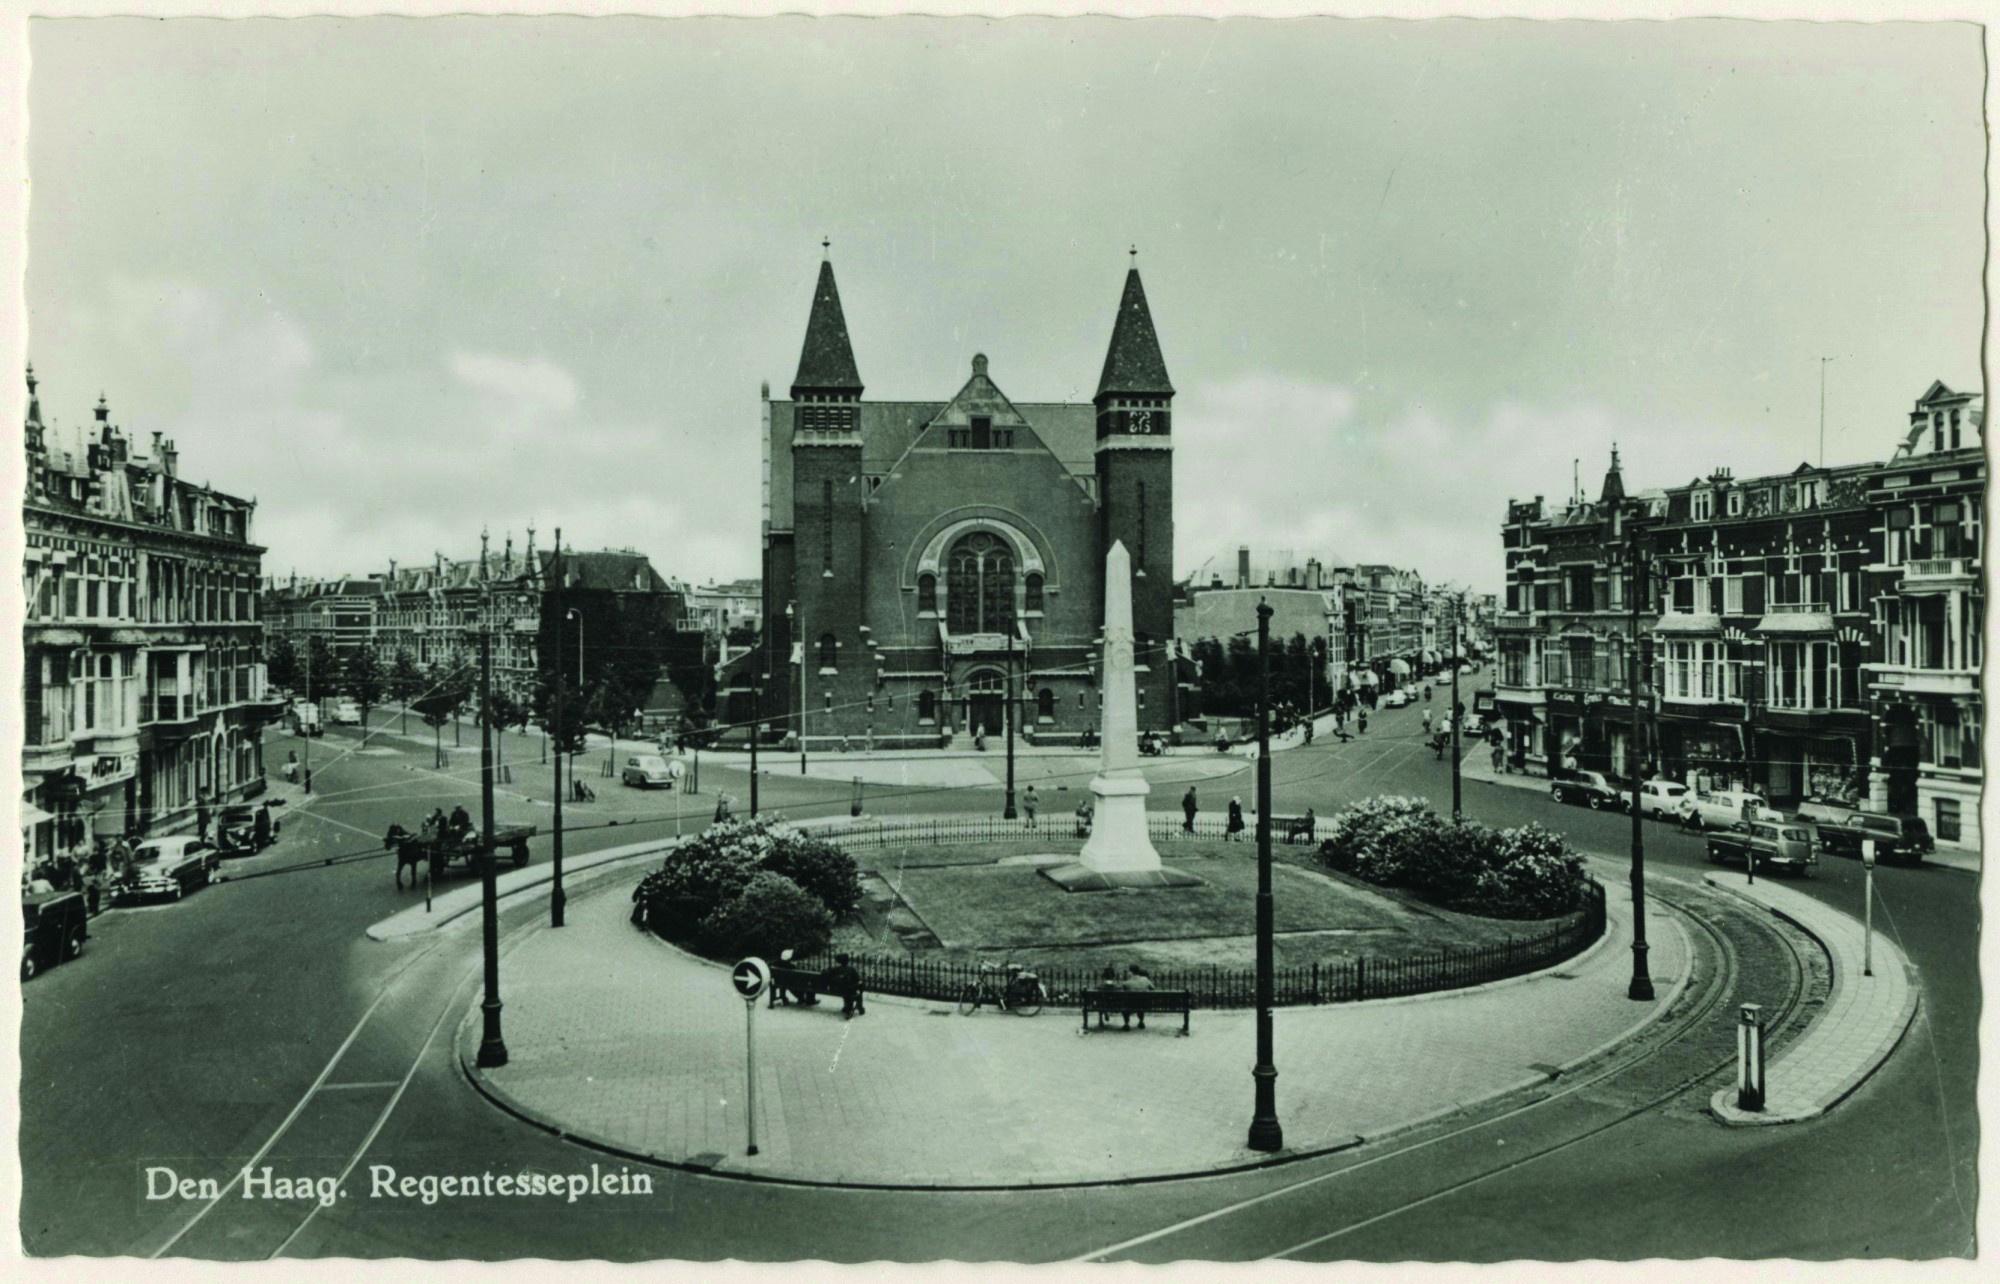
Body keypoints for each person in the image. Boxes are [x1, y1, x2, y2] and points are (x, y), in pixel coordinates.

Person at [825, 953, 866, 1018]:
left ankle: (847, 1007)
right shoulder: (851, 970)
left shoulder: (835, 969)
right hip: (848, 990)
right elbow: (857, 980)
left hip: (835, 989)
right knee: (857, 988)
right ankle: (858, 1007)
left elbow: (827, 976)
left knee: (846, 989)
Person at [1121, 964, 1155, 1029]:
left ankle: (1126, 1023)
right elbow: (1153, 988)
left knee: (1125, 1005)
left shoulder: (1126, 983)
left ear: (1131, 972)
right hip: (1145, 1004)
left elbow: (1124, 992)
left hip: (1130, 1005)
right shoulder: (1145, 979)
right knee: (1140, 1002)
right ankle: (1141, 1021)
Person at [1094, 964, 1125, 1030]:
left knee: (1101, 1000)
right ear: (1113, 976)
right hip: (1114, 1005)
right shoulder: (1117, 987)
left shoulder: (1100, 987)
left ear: (1104, 976)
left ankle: (1102, 1015)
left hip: (1102, 1005)